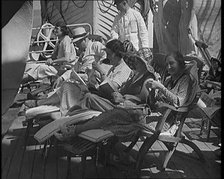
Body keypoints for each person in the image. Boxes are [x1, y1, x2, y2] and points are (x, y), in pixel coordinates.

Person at [55, 51, 198, 142]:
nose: (168, 67)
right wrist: (154, 94)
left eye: (171, 64)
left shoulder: (185, 79)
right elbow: (154, 103)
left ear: (180, 63)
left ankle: (73, 131)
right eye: (167, 64)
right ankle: (74, 129)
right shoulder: (169, 80)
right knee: (111, 115)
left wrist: (160, 88)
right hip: (151, 114)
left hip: (163, 122)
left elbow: (179, 102)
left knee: (113, 115)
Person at [24, 39, 132, 116]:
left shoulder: (124, 69)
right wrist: (92, 76)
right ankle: (42, 103)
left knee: (69, 89)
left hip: (104, 99)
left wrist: (101, 72)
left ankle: (56, 108)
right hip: (97, 92)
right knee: (67, 86)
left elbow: (113, 89)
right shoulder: (113, 66)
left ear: (115, 54)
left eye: (108, 54)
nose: (107, 56)